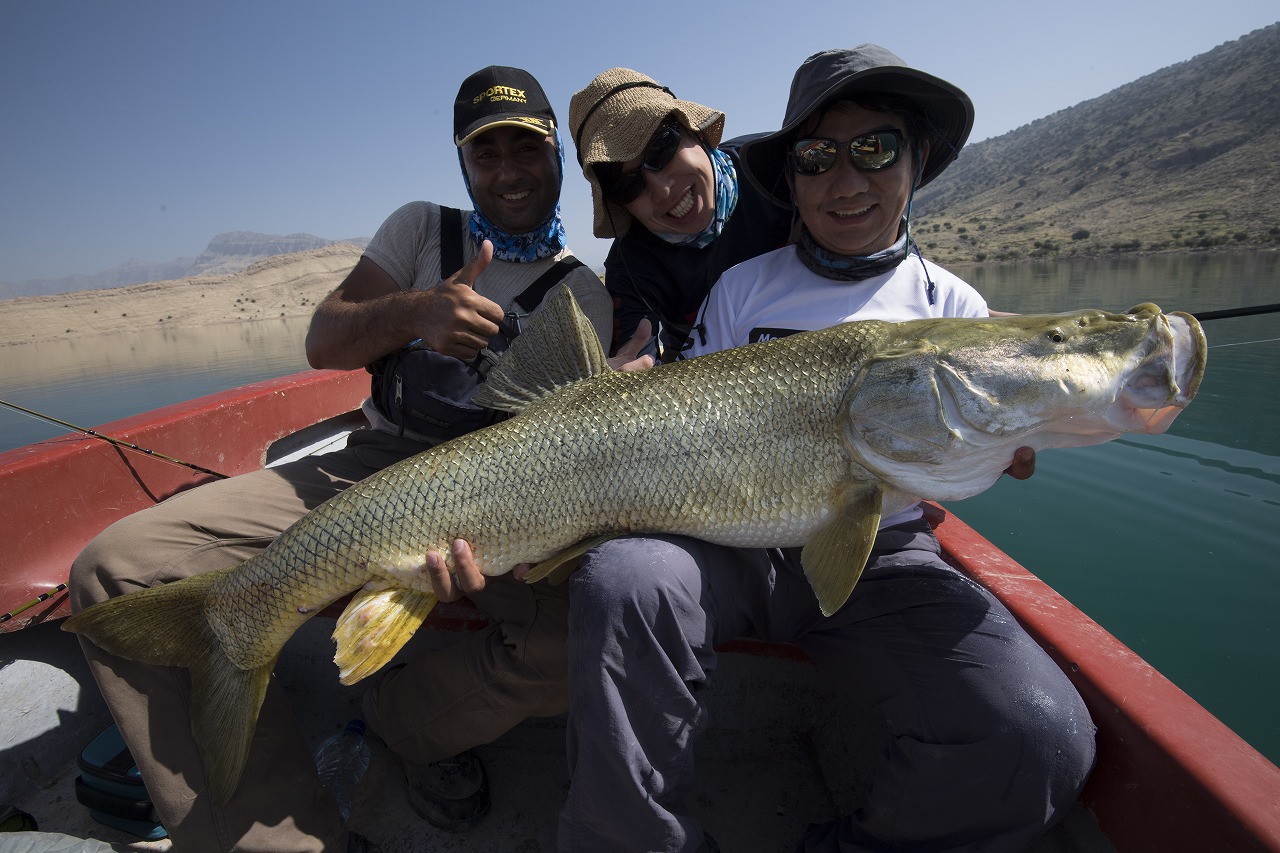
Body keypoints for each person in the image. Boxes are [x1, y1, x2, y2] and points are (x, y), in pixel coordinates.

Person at [556, 45, 1097, 853]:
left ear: (916, 160)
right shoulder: (741, 290)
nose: (846, 182)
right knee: (626, 577)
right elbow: (688, 416)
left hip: (885, 545)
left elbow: (995, 423)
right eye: (816, 158)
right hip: (728, 536)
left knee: (1042, 733)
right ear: (795, 179)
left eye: (875, 150)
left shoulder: (953, 304)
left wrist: (1003, 443)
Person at [68, 65, 619, 853]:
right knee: (114, 567)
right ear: (463, 164)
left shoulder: (583, 297)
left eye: (523, 149)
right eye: (485, 153)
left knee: (579, 646)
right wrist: (417, 312)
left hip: (510, 499)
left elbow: (570, 457)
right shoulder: (422, 232)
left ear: (555, 155)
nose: (507, 171)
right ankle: (277, 841)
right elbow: (325, 339)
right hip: (369, 466)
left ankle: (405, 724)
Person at [568, 68, 794, 357]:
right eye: (628, 186)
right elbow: (637, 365)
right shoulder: (632, 268)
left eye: (660, 150)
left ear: (693, 128)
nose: (661, 189)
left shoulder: (781, 166)